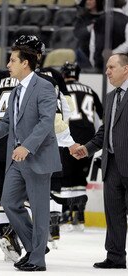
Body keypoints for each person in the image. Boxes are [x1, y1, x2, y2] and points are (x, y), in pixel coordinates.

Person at [0, 35, 62, 271]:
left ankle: (37, 259)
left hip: (36, 157)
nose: (8, 65)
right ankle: (34, 247)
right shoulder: (16, 91)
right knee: (8, 202)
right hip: (16, 159)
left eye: (12, 60)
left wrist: (27, 146)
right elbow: (5, 124)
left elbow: (47, 122)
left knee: (38, 210)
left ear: (25, 63)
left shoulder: (45, 87)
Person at [72, 53, 128, 269]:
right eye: (106, 67)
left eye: (111, 67)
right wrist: (86, 149)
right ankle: (115, 257)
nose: (107, 71)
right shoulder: (111, 96)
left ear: (125, 69)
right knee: (114, 214)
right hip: (111, 164)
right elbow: (104, 131)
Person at [60, 62, 103, 230]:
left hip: (68, 137)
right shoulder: (90, 90)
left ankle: (65, 216)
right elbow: (102, 118)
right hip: (89, 138)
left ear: (63, 74)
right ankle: (79, 216)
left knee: (65, 178)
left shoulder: (61, 89)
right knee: (79, 178)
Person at [90, 0, 128, 71]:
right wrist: (113, 52)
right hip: (120, 66)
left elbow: (92, 45)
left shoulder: (98, 20)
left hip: (100, 65)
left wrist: (93, 62)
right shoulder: (126, 20)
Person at [73, 0, 104, 69]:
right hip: (84, 52)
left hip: (100, 53)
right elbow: (77, 33)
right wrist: (90, 28)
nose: (88, 1)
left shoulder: (105, 17)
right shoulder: (82, 17)